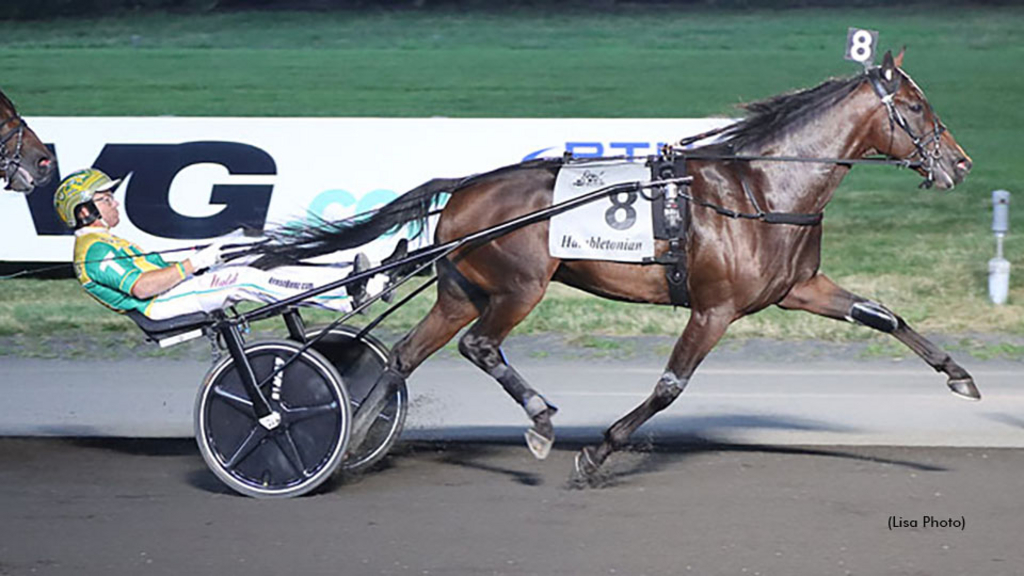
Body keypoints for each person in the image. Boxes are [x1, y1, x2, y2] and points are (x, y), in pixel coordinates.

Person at [54, 168, 378, 321]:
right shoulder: (94, 251)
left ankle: (351, 276)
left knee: (253, 259)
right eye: (105, 198)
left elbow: (157, 272)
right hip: (159, 306)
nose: (114, 203)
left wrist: (208, 254)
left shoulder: (106, 241)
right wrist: (195, 264)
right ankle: (345, 295)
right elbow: (142, 288)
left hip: (170, 293)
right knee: (244, 278)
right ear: (84, 211)